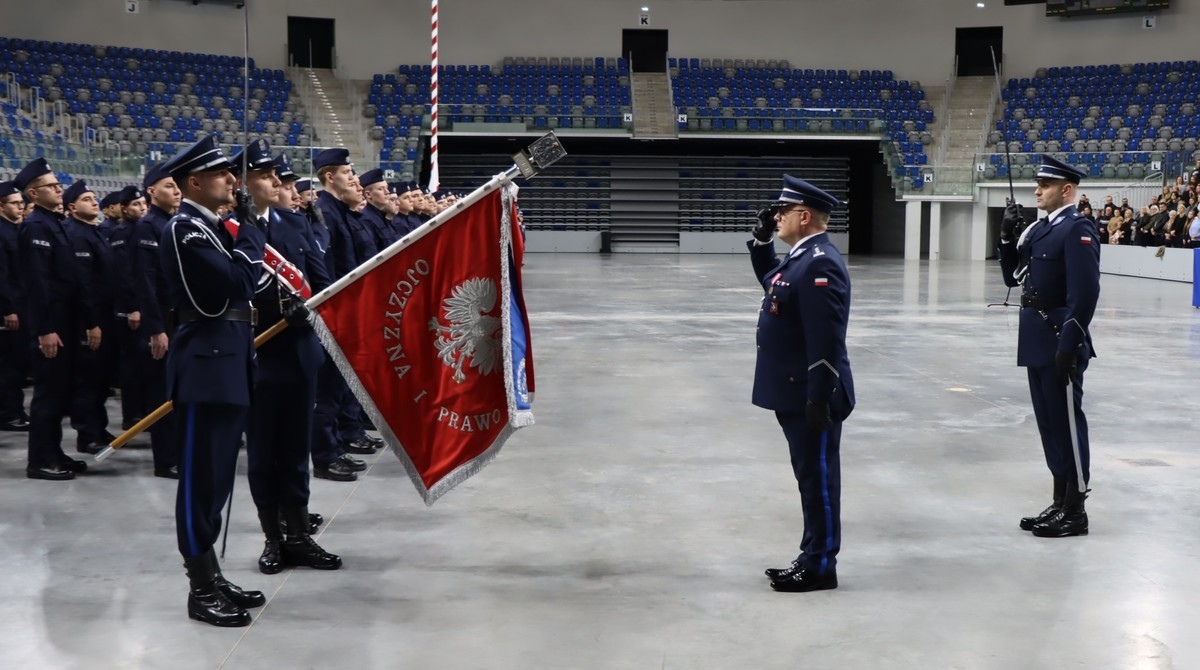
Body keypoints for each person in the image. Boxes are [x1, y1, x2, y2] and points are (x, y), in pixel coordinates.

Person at [158, 136, 267, 627]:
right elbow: (235, 286)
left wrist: (243, 236)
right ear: (194, 183)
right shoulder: (187, 229)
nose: (233, 179)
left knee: (219, 477)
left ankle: (213, 575)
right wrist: (250, 229)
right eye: (222, 173)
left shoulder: (215, 230)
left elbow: (245, 282)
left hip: (229, 361)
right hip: (206, 366)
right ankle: (199, 588)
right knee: (201, 479)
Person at [235, 141, 342, 574]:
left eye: (276, 177)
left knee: (296, 450)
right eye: (264, 176)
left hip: (298, 353)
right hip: (256, 356)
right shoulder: (230, 229)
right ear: (242, 183)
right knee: (263, 453)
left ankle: (299, 535)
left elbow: (322, 282)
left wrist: (309, 307)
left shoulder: (294, 224)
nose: (276, 183)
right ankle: (273, 538)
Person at [749, 175, 854, 593]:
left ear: (804, 216)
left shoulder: (820, 262)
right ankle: (812, 554)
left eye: (782, 212)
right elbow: (773, 283)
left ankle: (820, 565)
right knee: (808, 477)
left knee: (819, 480)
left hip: (811, 394)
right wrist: (761, 243)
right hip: (793, 390)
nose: (776, 217)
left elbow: (827, 337)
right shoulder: (801, 257)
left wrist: (818, 397)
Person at [998, 155, 1099, 539]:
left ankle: (1075, 511)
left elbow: (1086, 293)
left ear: (1066, 190)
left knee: (1068, 425)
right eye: (1037, 184)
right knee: (1049, 425)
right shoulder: (1041, 231)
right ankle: (1059, 502)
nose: (1037, 190)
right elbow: (1014, 276)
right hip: (1036, 339)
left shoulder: (1077, 229)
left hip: (1060, 339)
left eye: (1046, 185)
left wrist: (1070, 345)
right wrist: (1008, 237)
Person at [15, 160, 90, 480]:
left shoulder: (53, 222)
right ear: (33, 193)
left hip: (65, 321)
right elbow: (37, 282)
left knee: (61, 391)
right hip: (52, 323)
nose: (59, 189)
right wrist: (45, 329)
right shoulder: (36, 227)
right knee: (48, 394)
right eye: (51, 186)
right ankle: (40, 459)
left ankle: (54, 451)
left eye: (59, 185)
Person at [131, 164, 183, 477]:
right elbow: (145, 283)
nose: (175, 190)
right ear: (151, 191)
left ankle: (179, 452)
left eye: (177, 185)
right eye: (167, 186)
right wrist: (156, 329)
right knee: (163, 394)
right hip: (163, 319)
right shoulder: (147, 226)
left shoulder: (174, 222)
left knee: (179, 391)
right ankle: (166, 460)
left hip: (179, 317)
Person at [63, 181, 118, 454]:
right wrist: (91, 323)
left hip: (104, 316)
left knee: (100, 378)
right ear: (72, 207)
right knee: (87, 379)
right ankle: (87, 433)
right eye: (87, 199)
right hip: (90, 318)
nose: (95, 202)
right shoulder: (76, 234)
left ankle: (98, 426)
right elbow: (83, 283)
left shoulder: (94, 232)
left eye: (95, 198)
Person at [0, 181, 31, 432]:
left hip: (22, 304)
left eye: (22, 203)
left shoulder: (16, 229)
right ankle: (9, 413)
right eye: (15, 203)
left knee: (17, 363)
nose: (21, 207)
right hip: (9, 308)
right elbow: (2, 275)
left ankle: (15, 410)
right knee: (8, 365)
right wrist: (8, 308)